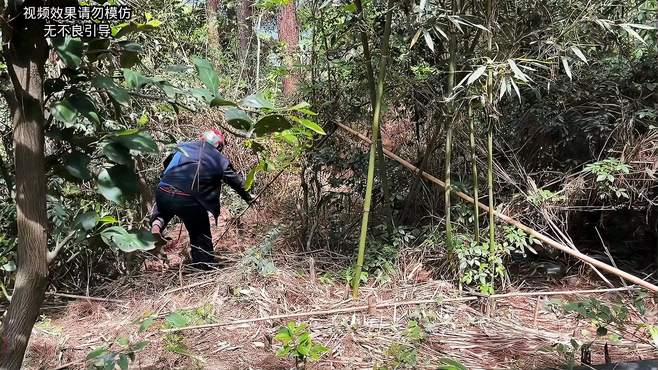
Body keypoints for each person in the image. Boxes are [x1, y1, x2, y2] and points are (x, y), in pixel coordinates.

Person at [150, 129, 254, 269]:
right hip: (188, 199)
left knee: (165, 206)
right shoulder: (219, 159)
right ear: (219, 146)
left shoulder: (183, 146)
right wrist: (249, 197)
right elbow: (235, 181)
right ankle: (204, 267)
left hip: (163, 189)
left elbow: (167, 165)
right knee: (200, 232)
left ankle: (157, 224)